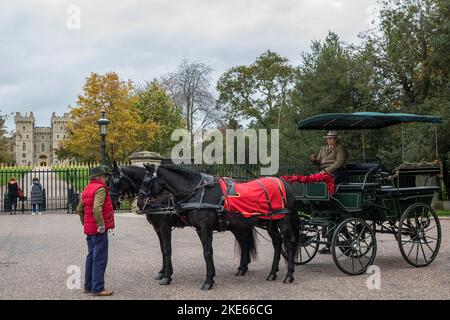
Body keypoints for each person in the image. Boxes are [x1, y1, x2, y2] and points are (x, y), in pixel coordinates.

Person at [76, 165, 115, 297]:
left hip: (90, 229)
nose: (106, 178)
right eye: (105, 175)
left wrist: (85, 223)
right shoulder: (100, 189)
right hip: (98, 230)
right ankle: (98, 288)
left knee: (91, 256)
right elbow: (96, 209)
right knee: (100, 258)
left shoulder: (87, 188)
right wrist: (101, 225)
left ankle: (88, 286)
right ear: (98, 177)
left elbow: (79, 209)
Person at [310, 130, 349, 254]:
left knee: (327, 183)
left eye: (331, 138)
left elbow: (339, 162)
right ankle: (315, 203)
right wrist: (314, 160)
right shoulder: (323, 148)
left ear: (336, 139)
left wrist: (327, 171)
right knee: (310, 181)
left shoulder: (340, 148)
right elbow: (319, 162)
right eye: (328, 138)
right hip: (324, 172)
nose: (329, 140)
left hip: (337, 172)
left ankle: (329, 199)